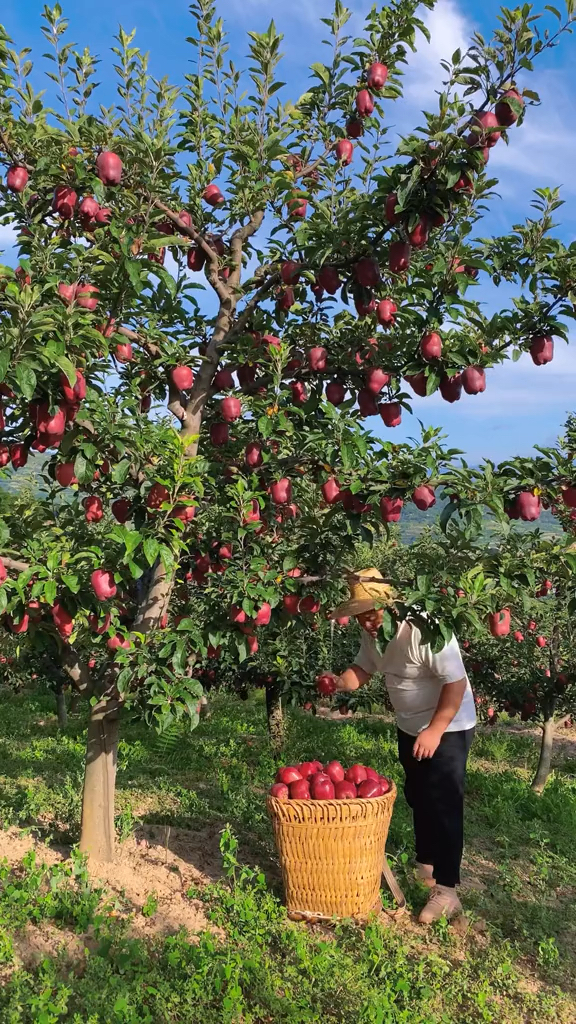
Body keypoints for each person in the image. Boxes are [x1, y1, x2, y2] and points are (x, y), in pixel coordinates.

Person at [328, 567, 476, 924]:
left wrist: (435, 730)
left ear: (390, 604)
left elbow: (454, 684)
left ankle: (448, 889)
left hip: (449, 723)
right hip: (410, 725)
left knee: (444, 800)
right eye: (360, 616)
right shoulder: (374, 633)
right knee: (417, 793)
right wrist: (339, 683)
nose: (366, 622)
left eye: (370, 613)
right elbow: (364, 669)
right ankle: (427, 863)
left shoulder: (425, 629)